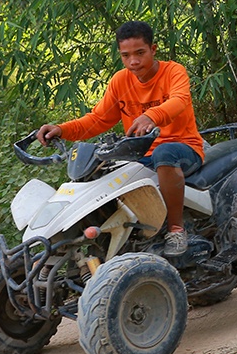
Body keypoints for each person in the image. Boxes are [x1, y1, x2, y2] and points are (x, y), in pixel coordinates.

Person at [36, 21, 204, 256]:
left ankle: (176, 230)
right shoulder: (120, 81)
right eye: (126, 56)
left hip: (183, 148)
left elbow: (180, 100)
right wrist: (61, 129)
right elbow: (98, 119)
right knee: (99, 171)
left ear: (153, 49)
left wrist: (151, 116)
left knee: (164, 153)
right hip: (139, 155)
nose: (133, 61)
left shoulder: (173, 71)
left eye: (140, 53)